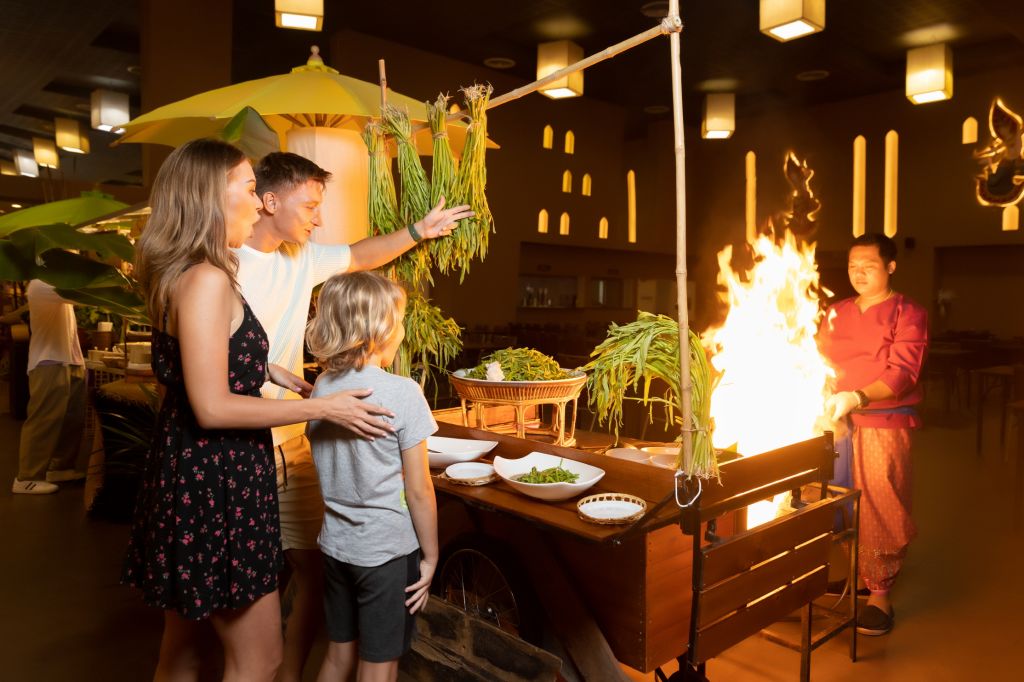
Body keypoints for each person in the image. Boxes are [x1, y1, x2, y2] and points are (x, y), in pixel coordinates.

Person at [122, 139, 372, 682]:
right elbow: (211, 407)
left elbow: (198, 360)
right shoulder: (208, 278)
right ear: (212, 195)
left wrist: (267, 369)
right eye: (250, 188)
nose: (260, 202)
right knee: (260, 660)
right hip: (218, 480)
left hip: (187, 473)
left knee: (183, 651)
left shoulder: (182, 271)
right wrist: (324, 408)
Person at [233, 151, 471, 681]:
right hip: (244, 451)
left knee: (317, 592)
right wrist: (432, 555)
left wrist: (420, 230)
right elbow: (418, 490)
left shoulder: (324, 373)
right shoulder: (221, 268)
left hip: (304, 461)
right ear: (269, 201)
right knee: (253, 593)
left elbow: (362, 255)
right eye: (310, 206)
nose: (318, 218)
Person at [304, 272, 437, 682]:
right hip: (386, 554)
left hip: (336, 547)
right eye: (400, 320)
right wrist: (431, 556)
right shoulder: (403, 392)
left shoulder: (323, 387)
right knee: (378, 666)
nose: (402, 330)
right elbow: (419, 490)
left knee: (337, 656)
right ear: (380, 330)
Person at [820, 232, 928, 637]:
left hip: (883, 420)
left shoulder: (907, 312)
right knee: (838, 497)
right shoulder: (836, 311)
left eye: (869, 265)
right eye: (853, 266)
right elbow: (818, 357)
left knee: (880, 500)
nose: (859, 273)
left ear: (890, 267)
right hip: (836, 419)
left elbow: (903, 372)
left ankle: (880, 593)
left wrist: (858, 396)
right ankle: (855, 573)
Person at [12, 280, 86, 494]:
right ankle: (27, 478)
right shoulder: (41, 284)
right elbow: (84, 295)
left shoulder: (56, 280)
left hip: (70, 358)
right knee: (45, 419)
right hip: (49, 361)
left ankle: (60, 467)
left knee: (72, 418)